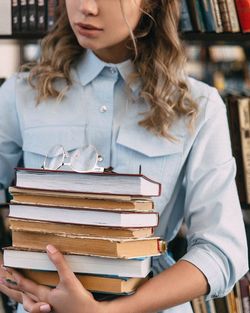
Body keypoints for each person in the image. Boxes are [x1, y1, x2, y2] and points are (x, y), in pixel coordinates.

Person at [0, 0, 248, 312]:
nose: (86, 8)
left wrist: (108, 312)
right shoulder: (20, 92)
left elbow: (222, 249)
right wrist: (18, 287)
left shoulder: (199, 105)